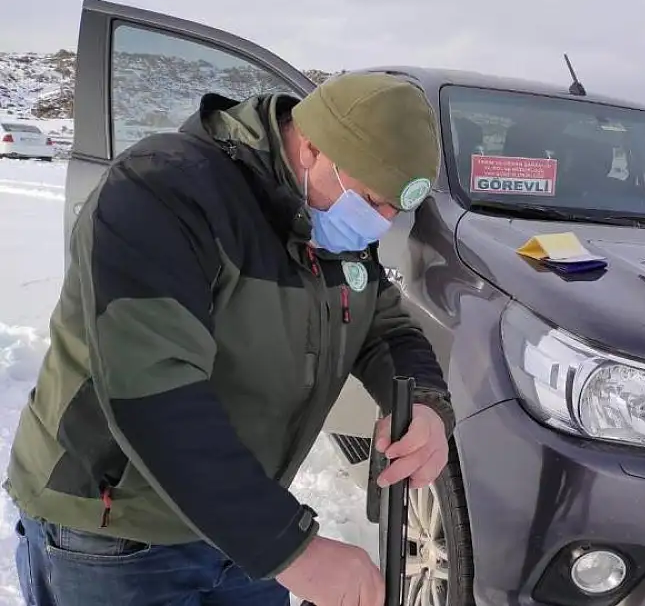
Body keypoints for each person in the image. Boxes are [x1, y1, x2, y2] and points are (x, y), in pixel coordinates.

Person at [5, 72, 456, 606]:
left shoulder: (328, 214)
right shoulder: (163, 191)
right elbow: (155, 395)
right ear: (312, 147)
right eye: (372, 201)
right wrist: (291, 551)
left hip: (241, 525)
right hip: (117, 534)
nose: (380, 225)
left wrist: (426, 405)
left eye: (393, 212)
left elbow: (385, 328)